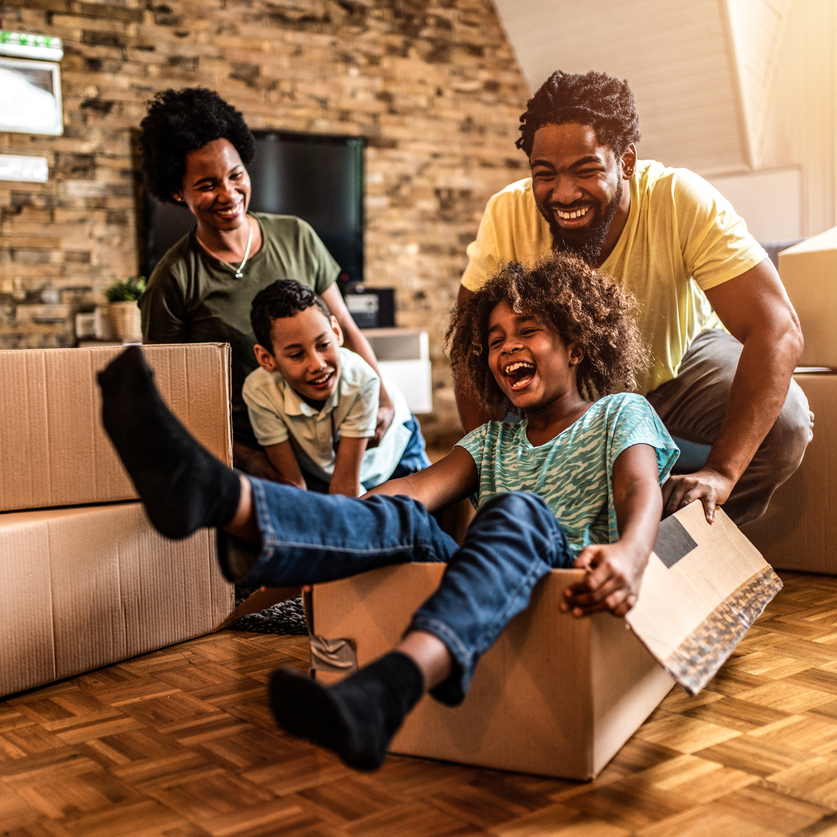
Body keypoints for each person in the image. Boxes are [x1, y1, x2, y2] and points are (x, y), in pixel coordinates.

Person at [97, 253, 679, 771]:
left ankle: (392, 681)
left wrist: (631, 554)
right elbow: (399, 498)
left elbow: (638, 490)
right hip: (489, 586)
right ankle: (221, 497)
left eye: (528, 332)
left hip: (578, 578)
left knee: (515, 510)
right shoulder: (491, 442)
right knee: (403, 514)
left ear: (577, 345)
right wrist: (325, 545)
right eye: (496, 340)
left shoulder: (618, 412)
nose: (507, 349)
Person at [456, 70, 812, 526]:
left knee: (786, 424)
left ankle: (681, 542)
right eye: (545, 174)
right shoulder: (508, 211)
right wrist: (497, 470)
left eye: (586, 170)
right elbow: (468, 346)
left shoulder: (679, 199)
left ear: (626, 161)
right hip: (561, 392)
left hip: (673, 369)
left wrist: (722, 473)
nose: (564, 193)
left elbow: (777, 328)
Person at [137, 87, 395, 480]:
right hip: (254, 449)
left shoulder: (297, 236)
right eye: (207, 185)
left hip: (333, 433)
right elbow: (168, 392)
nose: (228, 193)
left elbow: (345, 325)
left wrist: (384, 398)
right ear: (177, 191)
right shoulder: (174, 279)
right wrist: (245, 458)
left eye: (235, 174)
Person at [245, 279, 430, 496]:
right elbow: (293, 486)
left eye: (323, 345)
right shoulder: (259, 392)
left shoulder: (361, 382)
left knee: (416, 518)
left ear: (336, 332)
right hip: (327, 470)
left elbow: (345, 487)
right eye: (296, 355)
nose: (318, 365)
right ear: (267, 358)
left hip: (393, 459)